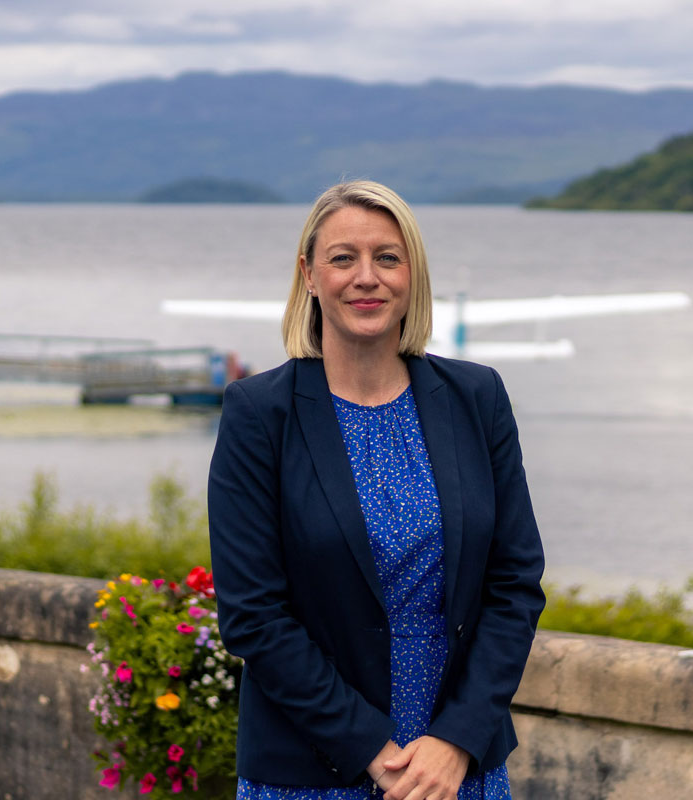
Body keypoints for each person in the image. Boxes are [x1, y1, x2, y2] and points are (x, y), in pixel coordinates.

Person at [208, 180, 545, 800]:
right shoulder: (258, 414)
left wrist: (456, 740)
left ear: (412, 274)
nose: (367, 277)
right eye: (343, 258)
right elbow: (253, 614)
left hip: (455, 766)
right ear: (309, 275)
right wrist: (372, 752)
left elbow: (515, 583)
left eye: (387, 257)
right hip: (312, 766)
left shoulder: (477, 398)